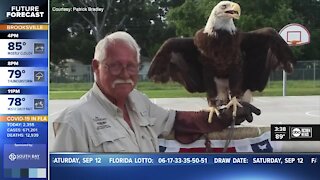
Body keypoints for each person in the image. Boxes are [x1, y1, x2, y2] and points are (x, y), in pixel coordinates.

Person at [51, 31, 260, 153]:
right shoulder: (74, 121)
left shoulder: (139, 103)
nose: (124, 74)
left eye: (131, 66)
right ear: (96, 67)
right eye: (114, 65)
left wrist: (222, 116)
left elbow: (176, 120)